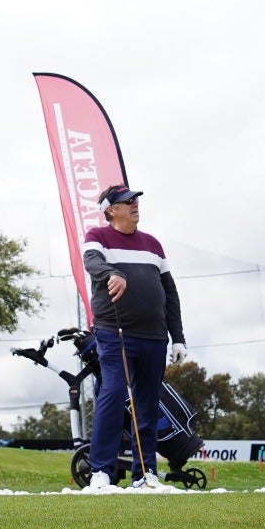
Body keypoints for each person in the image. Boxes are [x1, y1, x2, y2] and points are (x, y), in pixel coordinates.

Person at [82, 184, 187, 491]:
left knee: (147, 404)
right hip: (114, 332)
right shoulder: (97, 236)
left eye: (135, 199)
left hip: (155, 336)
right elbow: (92, 263)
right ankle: (100, 471)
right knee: (114, 392)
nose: (134, 204)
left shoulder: (153, 244)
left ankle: (145, 474)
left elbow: (170, 292)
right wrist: (112, 273)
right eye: (125, 201)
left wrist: (177, 336)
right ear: (110, 210)